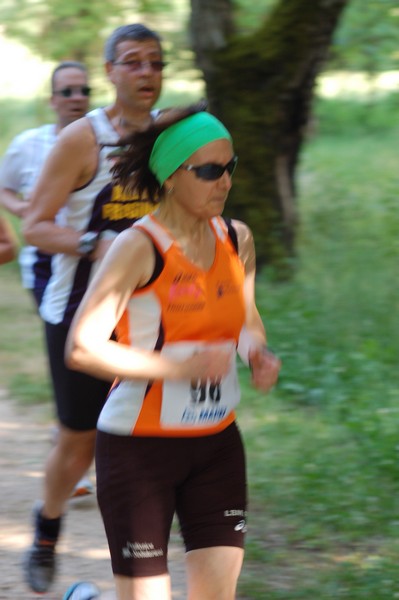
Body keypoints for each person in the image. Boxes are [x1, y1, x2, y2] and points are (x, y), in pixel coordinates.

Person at [64, 105, 281, 600]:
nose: (224, 181)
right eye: (208, 170)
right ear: (170, 175)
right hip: (139, 448)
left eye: (230, 167)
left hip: (217, 443)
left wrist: (257, 352)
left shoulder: (236, 238)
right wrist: (174, 367)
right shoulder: (138, 247)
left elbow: (245, 320)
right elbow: (82, 349)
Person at [22, 23, 166, 594]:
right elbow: (33, 225)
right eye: (132, 62)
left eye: (154, 62)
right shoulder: (83, 139)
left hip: (151, 312)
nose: (146, 73)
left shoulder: (169, 136)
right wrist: (95, 245)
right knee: (78, 439)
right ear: (110, 71)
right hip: (78, 312)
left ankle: (137, 562)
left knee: (145, 436)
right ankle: (46, 530)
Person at [0, 61, 94, 500]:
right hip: (43, 263)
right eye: (68, 91)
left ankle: (71, 442)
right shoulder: (27, 144)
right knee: (72, 344)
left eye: (84, 90)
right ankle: (69, 441)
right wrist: (25, 212)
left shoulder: (105, 141)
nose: (77, 97)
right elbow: (3, 188)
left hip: (91, 262)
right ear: (52, 99)